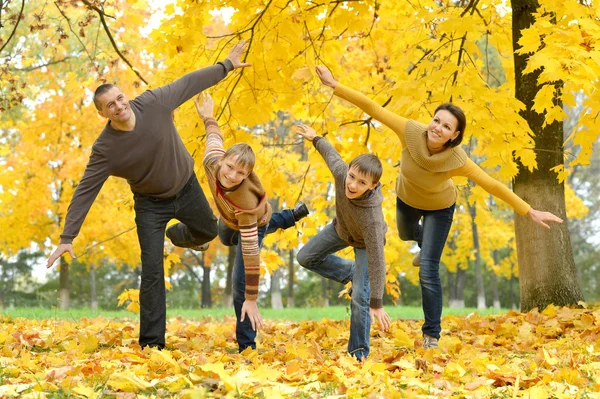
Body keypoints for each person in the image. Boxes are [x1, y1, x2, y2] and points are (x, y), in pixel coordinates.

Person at [314, 65, 563, 349]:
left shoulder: (457, 160)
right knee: (406, 234)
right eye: (437, 120)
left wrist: (528, 210)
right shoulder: (410, 131)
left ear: (453, 136)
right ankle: (425, 244)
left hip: (440, 208)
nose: (438, 128)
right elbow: (373, 107)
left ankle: (431, 335)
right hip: (407, 200)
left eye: (447, 127)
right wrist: (335, 85)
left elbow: (491, 184)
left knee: (428, 269)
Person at [46, 42, 252, 350]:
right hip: (149, 206)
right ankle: (152, 345)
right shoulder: (105, 149)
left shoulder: (154, 102)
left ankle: (176, 234)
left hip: (186, 186)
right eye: (110, 105)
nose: (118, 106)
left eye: (119, 98)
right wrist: (67, 236)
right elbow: (86, 189)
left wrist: (226, 66)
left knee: (209, 231)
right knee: (152, 270)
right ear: (103, 113)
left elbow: (188, 82)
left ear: (124, 96)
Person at [194, 92, 309, 352]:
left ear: (248, 175)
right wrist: (209, 117)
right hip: (229, 219)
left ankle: (247, 347)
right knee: (224, 237)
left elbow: (250, 253)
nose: (232, 175)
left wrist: (251, 298)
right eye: (230, 167)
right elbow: (214, 138)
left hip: (249, 221)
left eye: (241, 173)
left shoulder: (245, 202)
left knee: (240, 285)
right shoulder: (212, 162)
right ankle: (289, 216)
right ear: (222, 160)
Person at [295, 123, 391, 361]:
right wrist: (315, 138)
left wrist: (376, 303)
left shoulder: (372, 219)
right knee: (305, 257)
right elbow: (331, 155)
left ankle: (358, 353)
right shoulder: (342, 174)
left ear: (373, 186)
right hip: (341, 229)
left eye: (361, 183)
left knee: (360, 295)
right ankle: (354, 273)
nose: (352, 185)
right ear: (348, 170)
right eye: (352, 177)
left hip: (365, 244)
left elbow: (378, 261)